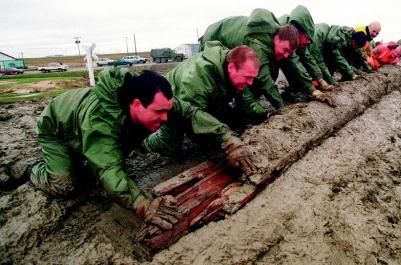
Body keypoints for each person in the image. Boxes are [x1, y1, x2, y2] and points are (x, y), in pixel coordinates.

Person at [30, 67, 255, 232]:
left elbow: (189, 114)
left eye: (166, 111)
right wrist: (143, 205)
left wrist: (231, 142)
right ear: (136, 104)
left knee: (95, 168)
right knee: (67, 184)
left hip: (87, 128)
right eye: (158, 112)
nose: (165, 118)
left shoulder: (152, 98)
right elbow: (108, 169)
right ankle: (28, 169)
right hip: (57, 129)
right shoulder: (101, 123)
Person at [199, 8, 335, 120]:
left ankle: (244, 110)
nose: (286, 55)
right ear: (276, 38)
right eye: (285, 50)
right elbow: (264, 80)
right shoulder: (260, 44)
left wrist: (313, 89)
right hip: (214, 38)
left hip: (234, 42)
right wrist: (284, 108)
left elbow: (293, 62)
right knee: (226, 82)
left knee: (262, 76)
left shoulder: (283, 38)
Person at [144, 42, 261, 164]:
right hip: (174, 103)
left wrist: (266, 113)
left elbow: (248, 101)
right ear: (231, 68)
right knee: (170, 145)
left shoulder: (232, 64)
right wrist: (226, 141)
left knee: (234, 121)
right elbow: (192, 116)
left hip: (205, 99)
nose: (250, 83)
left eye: (252, 78)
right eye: (247, 77)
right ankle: (141, 143)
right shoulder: (197, 80)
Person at [278, 5, 334, 91]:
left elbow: (308, 58)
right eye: (308, 38)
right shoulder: (286, 32)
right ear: (301, 31)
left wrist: (320, 79)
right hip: (274, 55)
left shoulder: (300, 38)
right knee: (289, 66)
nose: (308, 43)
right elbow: (294, 63)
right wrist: (312, 89)